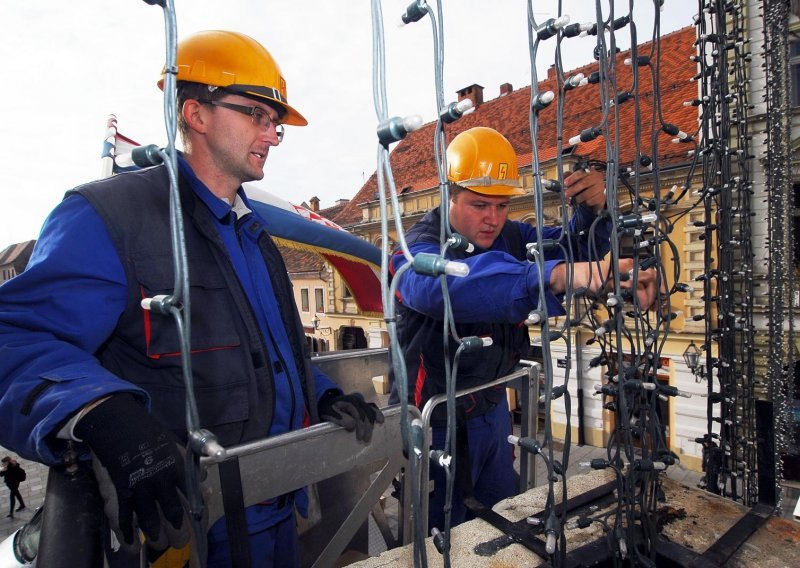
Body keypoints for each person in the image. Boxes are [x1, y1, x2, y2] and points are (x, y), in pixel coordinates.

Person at [0, 30, 383, 567]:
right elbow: (15, 339)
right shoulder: (111, 217)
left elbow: (271, 352)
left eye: (276, 123)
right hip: (190, 528)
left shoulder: (255, 236)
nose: (272, 134)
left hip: (278, 507)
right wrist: (101, 412)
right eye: (255, 113)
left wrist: (319, 394)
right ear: (196, 114)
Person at [390, 127, 659, 532]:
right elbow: (449, 287)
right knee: (439, 539)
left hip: (494, 412)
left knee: (503, 526)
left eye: (502, 206)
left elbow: (572, 248)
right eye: (479, 205)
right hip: (435, 427)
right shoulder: (415, 250)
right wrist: (558, 276)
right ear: (450, 195)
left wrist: (593, 210)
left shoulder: (511, 235)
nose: (493, 220)